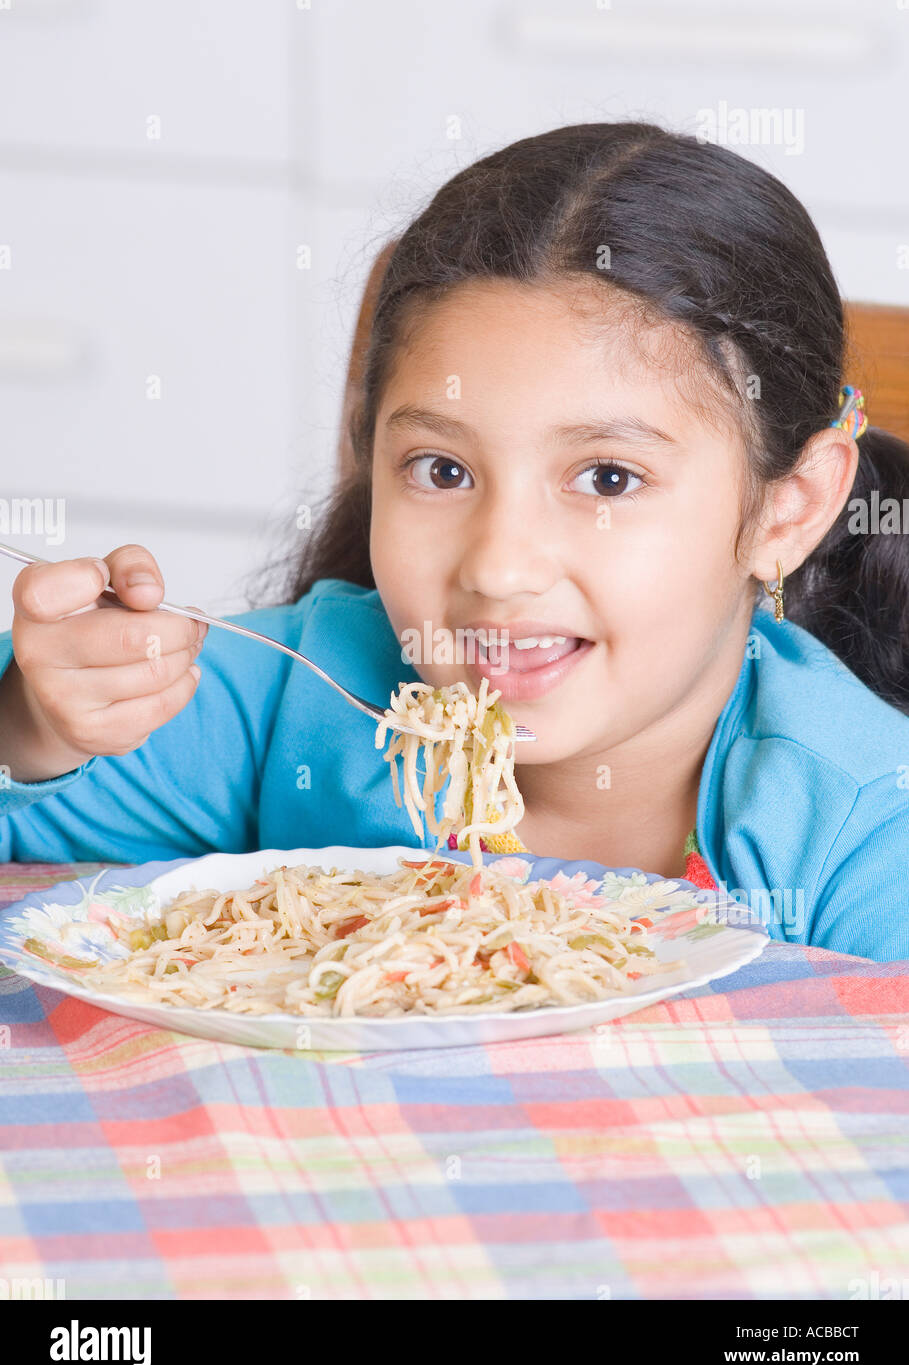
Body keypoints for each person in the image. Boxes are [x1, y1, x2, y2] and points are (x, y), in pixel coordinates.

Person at [1, 122, 907, 960]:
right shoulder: (291, 702)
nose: (499, 566)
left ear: (786, 510)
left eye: (607, 479)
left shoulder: (861, 830)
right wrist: (39, 721)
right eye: (441, 470)